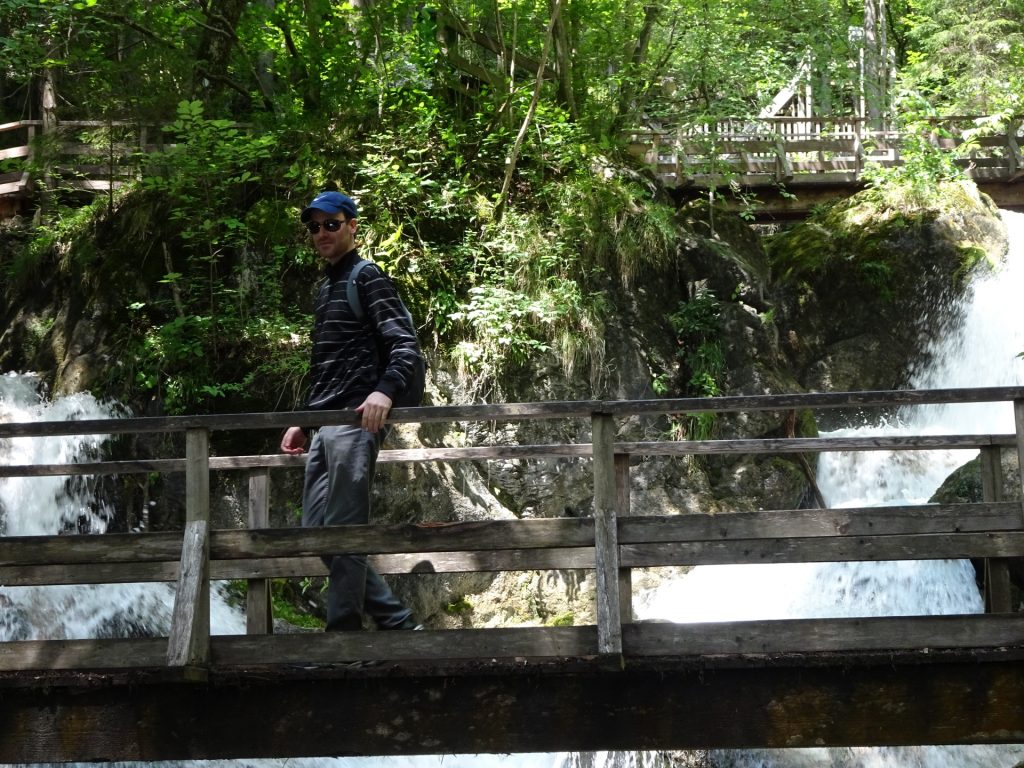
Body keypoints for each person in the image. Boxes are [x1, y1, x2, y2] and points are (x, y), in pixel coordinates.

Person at [280, 190, 423, 632]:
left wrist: (385, 391)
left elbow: (405, 345)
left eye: (331, 224)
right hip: (324, 426)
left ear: (352, 226)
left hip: (354, 422)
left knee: (343, 535)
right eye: (314, 226)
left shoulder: (368, 278)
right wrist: (304, 422)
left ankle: (343, 644)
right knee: (319, 535)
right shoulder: (325, 288)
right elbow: (327, 365)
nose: (321, 233)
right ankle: (397, 622)